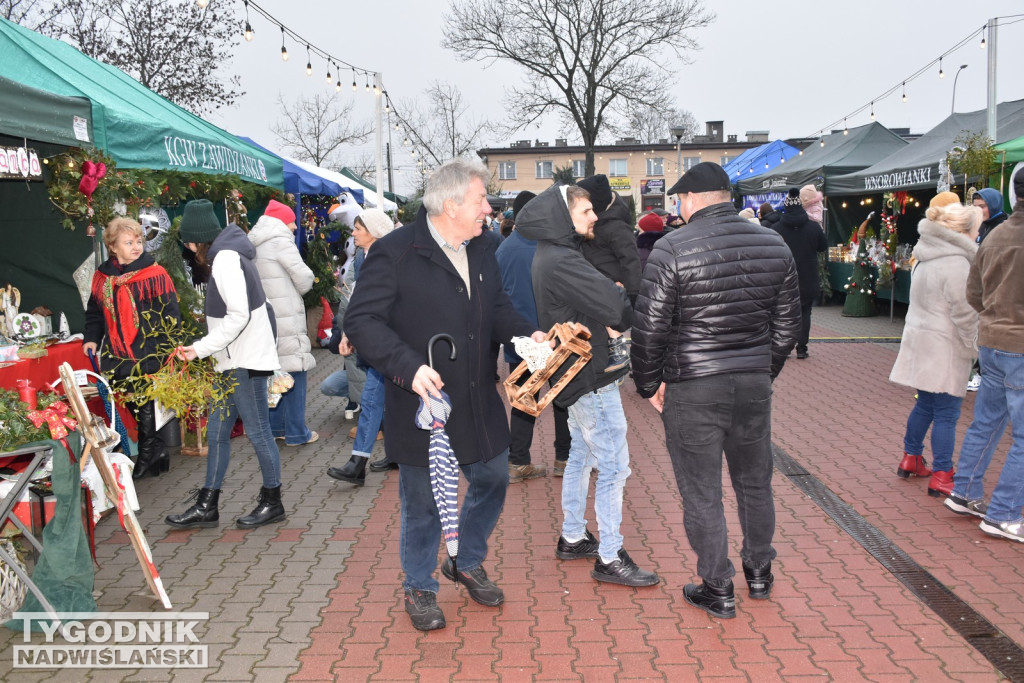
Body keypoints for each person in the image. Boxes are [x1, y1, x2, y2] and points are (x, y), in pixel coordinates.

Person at [344, 159, 546, 631]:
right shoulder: (394, 252)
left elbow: (499, 308)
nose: (487, 208)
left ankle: (466, 558)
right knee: (424, 502)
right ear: (451, 204)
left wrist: (525, 336)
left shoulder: (483, 247)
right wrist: (407, 365)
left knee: (494, 478)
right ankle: (419, 584)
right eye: (480, 200)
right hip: (423, 405)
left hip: (477, 398)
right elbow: (362, 322)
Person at [631, 161, 800, 619]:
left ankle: (718, 585)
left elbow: (649, 329)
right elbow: (788, 325)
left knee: (701, 490)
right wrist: (764, 371)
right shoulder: (774, 243)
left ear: (690, 199)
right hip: (752, 383)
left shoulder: (672, 248)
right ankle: (760, 572)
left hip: (693, 386)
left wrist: (649, 384)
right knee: (754, 481)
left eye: (680, 200)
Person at [516, 183, 659, 589]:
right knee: (614, 465)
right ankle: (610, 557)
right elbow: (617, 306)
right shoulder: (563, 259)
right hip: (591, 377)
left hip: (577, 376)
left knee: (581, 455)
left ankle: (574, 535)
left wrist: (610, 297)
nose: (594, 216)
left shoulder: (555, 254)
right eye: (585, 212)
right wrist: (615, 296)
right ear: (563, 217)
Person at [165, 199, 285, 530]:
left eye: (188, 243)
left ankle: (272, 501)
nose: (189, 249)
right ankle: (207, 504)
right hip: (233, 361)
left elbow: (238, 316)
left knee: (259, 432)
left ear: (194, 240)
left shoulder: (227, 259)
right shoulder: (230, 254)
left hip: (242, 362)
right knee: (217, 432)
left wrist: (199, 349)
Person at [944, 168, 1024, 540]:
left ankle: (965, 491)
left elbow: (973, 293)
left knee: (987, 422)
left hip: (991, 340)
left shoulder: (996, 235)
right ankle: (1004, 512)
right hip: (1019, 346)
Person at [889, 204, 981, 496]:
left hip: (922, 340)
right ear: (963, 232)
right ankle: (943, 472)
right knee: (947, 412)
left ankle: (912, 457)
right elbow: (965, 315)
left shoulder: (924, 257)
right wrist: (975, 346)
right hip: (945, 345)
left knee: (926, 404)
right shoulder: (957, 264)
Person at [83, 217, 180, 480]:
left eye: (138, 241)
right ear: (113, 247)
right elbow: (95, 312)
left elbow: (171, 313)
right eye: (129, 242)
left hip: (148, 349)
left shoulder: (154, 273)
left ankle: (148, 453)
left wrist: (167, 347)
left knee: (147, 399)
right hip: (117, 351)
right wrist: (91, 337)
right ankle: (157, 449)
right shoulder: (103, 278)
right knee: (132, 400)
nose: (136, 246)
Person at [495, 191, 572, 482]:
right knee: (563, 400)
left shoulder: (503, 249)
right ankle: (564, 459)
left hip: (521, 341)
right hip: (551, 337)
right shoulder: (549, 247)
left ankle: (518, 461)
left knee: (524, 403)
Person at [326, 209, 397, 485]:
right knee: (378, 399)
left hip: (386, 339)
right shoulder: (362, 258)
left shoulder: (386, 258)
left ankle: (360, 463)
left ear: (375, 231)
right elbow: (357, 300)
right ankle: (389, 455)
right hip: (375, 337)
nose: (352, 233)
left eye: (358, 228)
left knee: (372, 399)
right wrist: (348, 332)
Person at [248, 199, 318, 447]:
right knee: (296, 372)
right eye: (292, 223)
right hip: (286, 314)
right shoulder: (280, 241)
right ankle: (298, 433)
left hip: (267, 318)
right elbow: (304, 277)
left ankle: (276, 427)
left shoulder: (254, 242)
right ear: (282, 221)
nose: (294, 228)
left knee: (275, 372)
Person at [577, 174, 640, 371]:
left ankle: (619, 350)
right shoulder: (597, 222)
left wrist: (632, 294)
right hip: (596, 277)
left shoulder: (616, 226)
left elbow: (631, 260)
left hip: (610, 282)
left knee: (607, 317)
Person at [773, 188, 827, 359]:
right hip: (808, 278)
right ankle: (802, 348)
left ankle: (786, 347)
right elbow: (822, 247)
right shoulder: (813, 227)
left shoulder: (776, 229)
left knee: (784, 315)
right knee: (805, 313)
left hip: (784, 279)